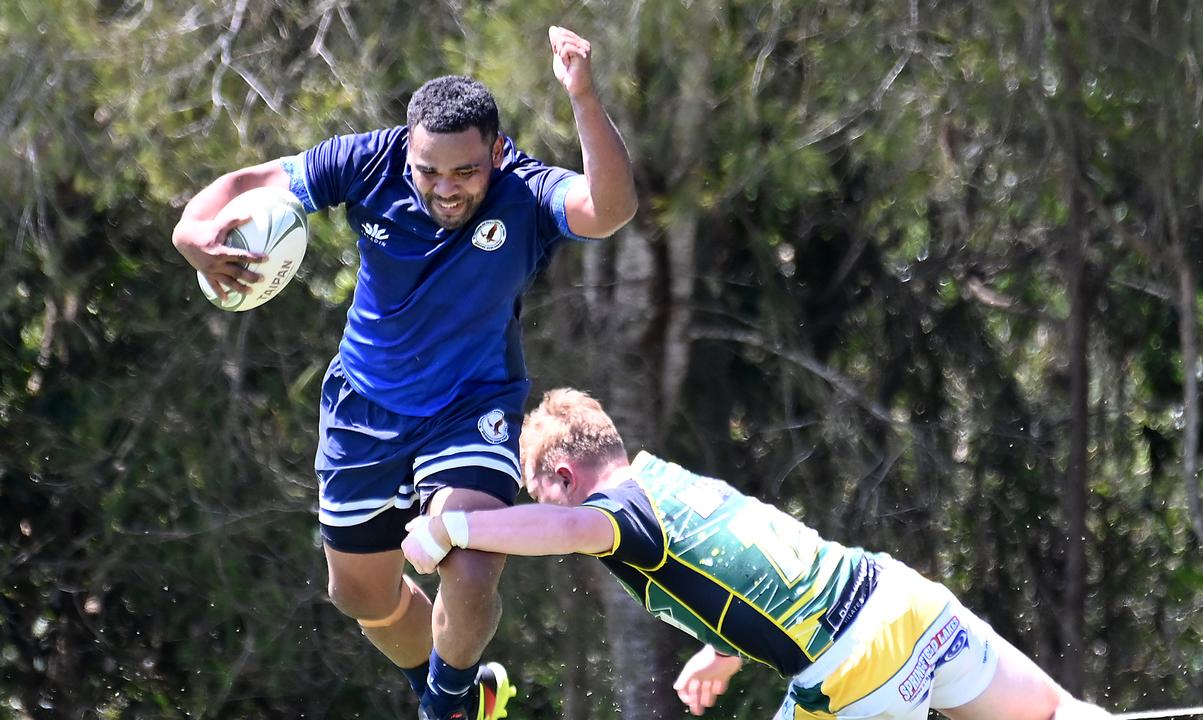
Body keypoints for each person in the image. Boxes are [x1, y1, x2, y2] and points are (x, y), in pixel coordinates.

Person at [171, 26, 637, 720]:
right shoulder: (367, 161)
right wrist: (189, 232)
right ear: (408, 150)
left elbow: (611, 209)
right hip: (364, 408)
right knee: (359, 595)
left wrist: (584, 97)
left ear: (497, 153)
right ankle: (458, 693)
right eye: (429, 171)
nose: (446, 188)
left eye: (466, 172)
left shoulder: (528, 192)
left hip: (471, 408)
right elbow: (249, 184)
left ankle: (440, 708)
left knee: (470, 558)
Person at [402, 389, 1114, 720]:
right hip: (907, 601)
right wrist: (726, 649)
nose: (541, 508)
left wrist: (452, 531)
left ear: (563, 475)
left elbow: (563, 531)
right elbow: (752, 564)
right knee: (1054, 715)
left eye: (538, 492)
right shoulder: (669, 480)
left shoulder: (612, 511)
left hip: (854, 670)